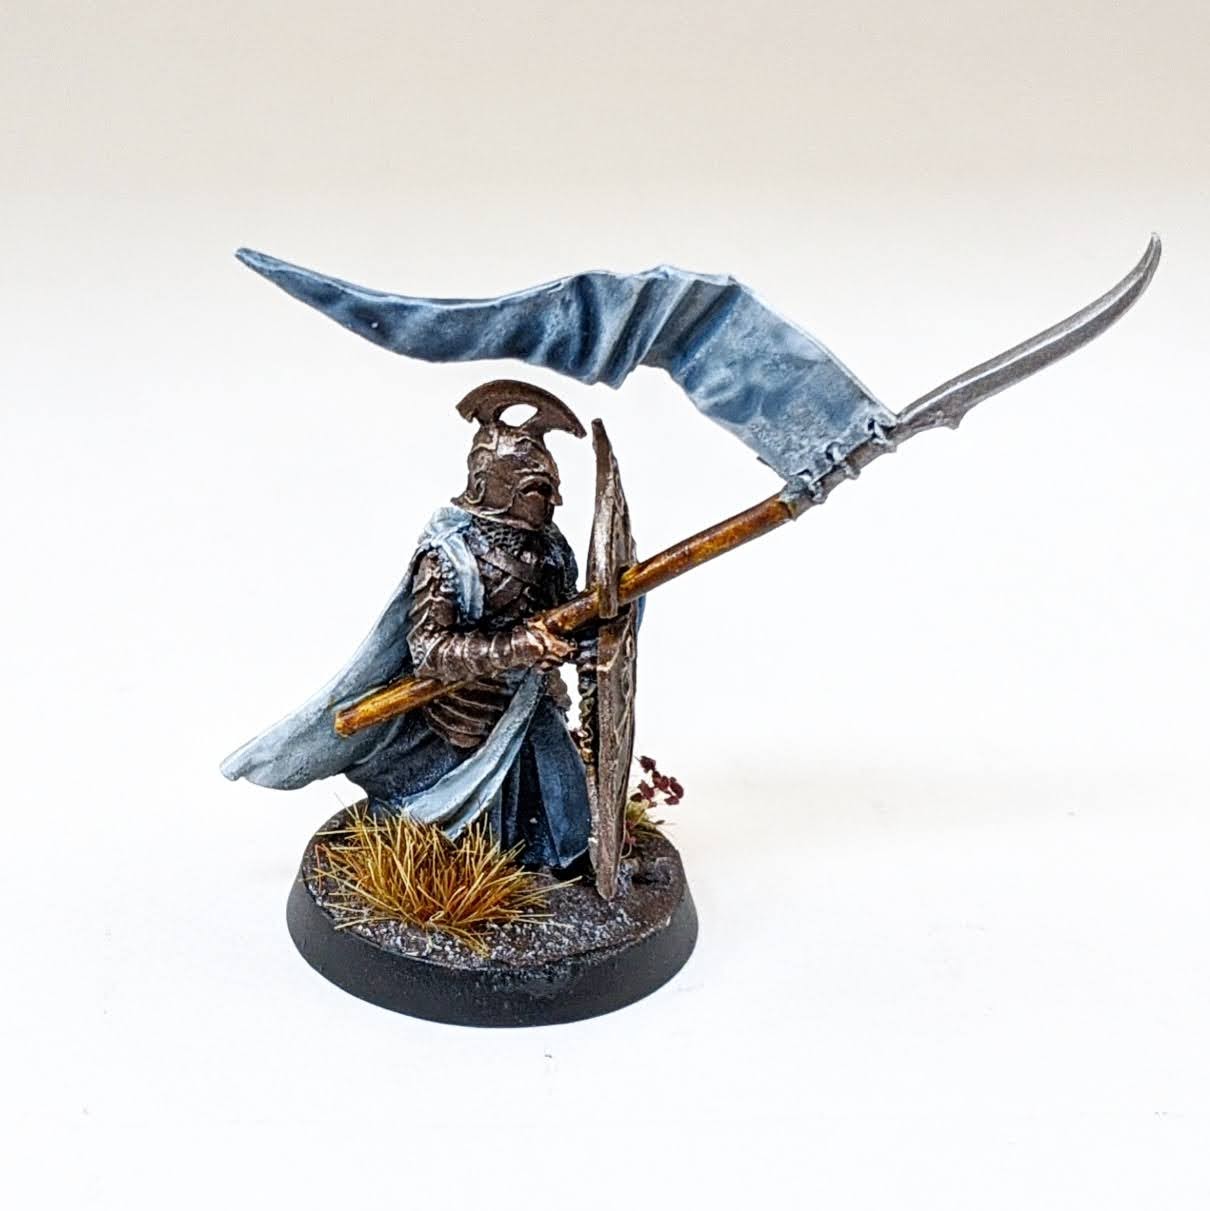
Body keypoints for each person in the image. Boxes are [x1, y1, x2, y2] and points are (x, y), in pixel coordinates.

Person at [221, 380, 592, 870]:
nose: (554, 502)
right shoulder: (449, 559)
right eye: (538, 490)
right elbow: (431, 651)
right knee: (464, 841)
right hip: (463, 720)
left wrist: (591, 629)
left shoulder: (551, 549)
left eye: (551, 487)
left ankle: (567, 864)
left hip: (531, 703)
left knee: (566, 808)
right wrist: (516, 646)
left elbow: (566, 615)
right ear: (493, 486)